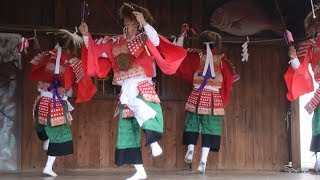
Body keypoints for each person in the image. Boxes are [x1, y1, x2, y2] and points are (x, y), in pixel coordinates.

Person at [79, 3, 186, 180]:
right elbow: (96, 52)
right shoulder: (114, 42)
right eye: (124, 24)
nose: (126, 27)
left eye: (129, 24)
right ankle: (140, 171)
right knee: (127, 129)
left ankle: (153, 142)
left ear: (137, 24)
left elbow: (157, 41)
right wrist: (85, 35)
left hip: (142, 85)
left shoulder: (144, 39)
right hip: (125, 89)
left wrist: (144, 23)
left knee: (146, 110)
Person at [30, 37, 97, 177]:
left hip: (42, 103)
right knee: (60, 135)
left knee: (52, 132)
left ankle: (47, 139)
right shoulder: (70, 64)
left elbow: (41, 79)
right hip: (55, 106)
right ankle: (48, 165)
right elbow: (70, 86)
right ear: (70, 48)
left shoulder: (48, 58)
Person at [175, 30, 238, 174]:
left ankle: (190, 148)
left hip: (196, 96)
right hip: (214, 99)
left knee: (192, 123)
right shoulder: (223, 61)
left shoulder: (194, 57)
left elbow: (183, 70)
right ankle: (203, 160)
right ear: (217, 44)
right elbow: (228, 82)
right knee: (210, 129)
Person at [285, 6, 320, 173]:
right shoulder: (311, 46)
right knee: (318, 126)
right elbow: (303, 71)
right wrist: (293, 58)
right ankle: (319, 162)